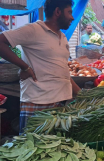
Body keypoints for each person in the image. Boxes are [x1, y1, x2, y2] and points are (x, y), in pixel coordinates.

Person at [0, 0, 80, 134]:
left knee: (55, 151)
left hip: (59, 104)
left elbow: (63, 72)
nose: (72, 17)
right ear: (57, 12)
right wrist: (24, 67)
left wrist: (81, 93)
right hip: (37, 103)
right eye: (69, 12)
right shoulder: (34, 30)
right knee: (31, 149)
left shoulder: (63, 38)